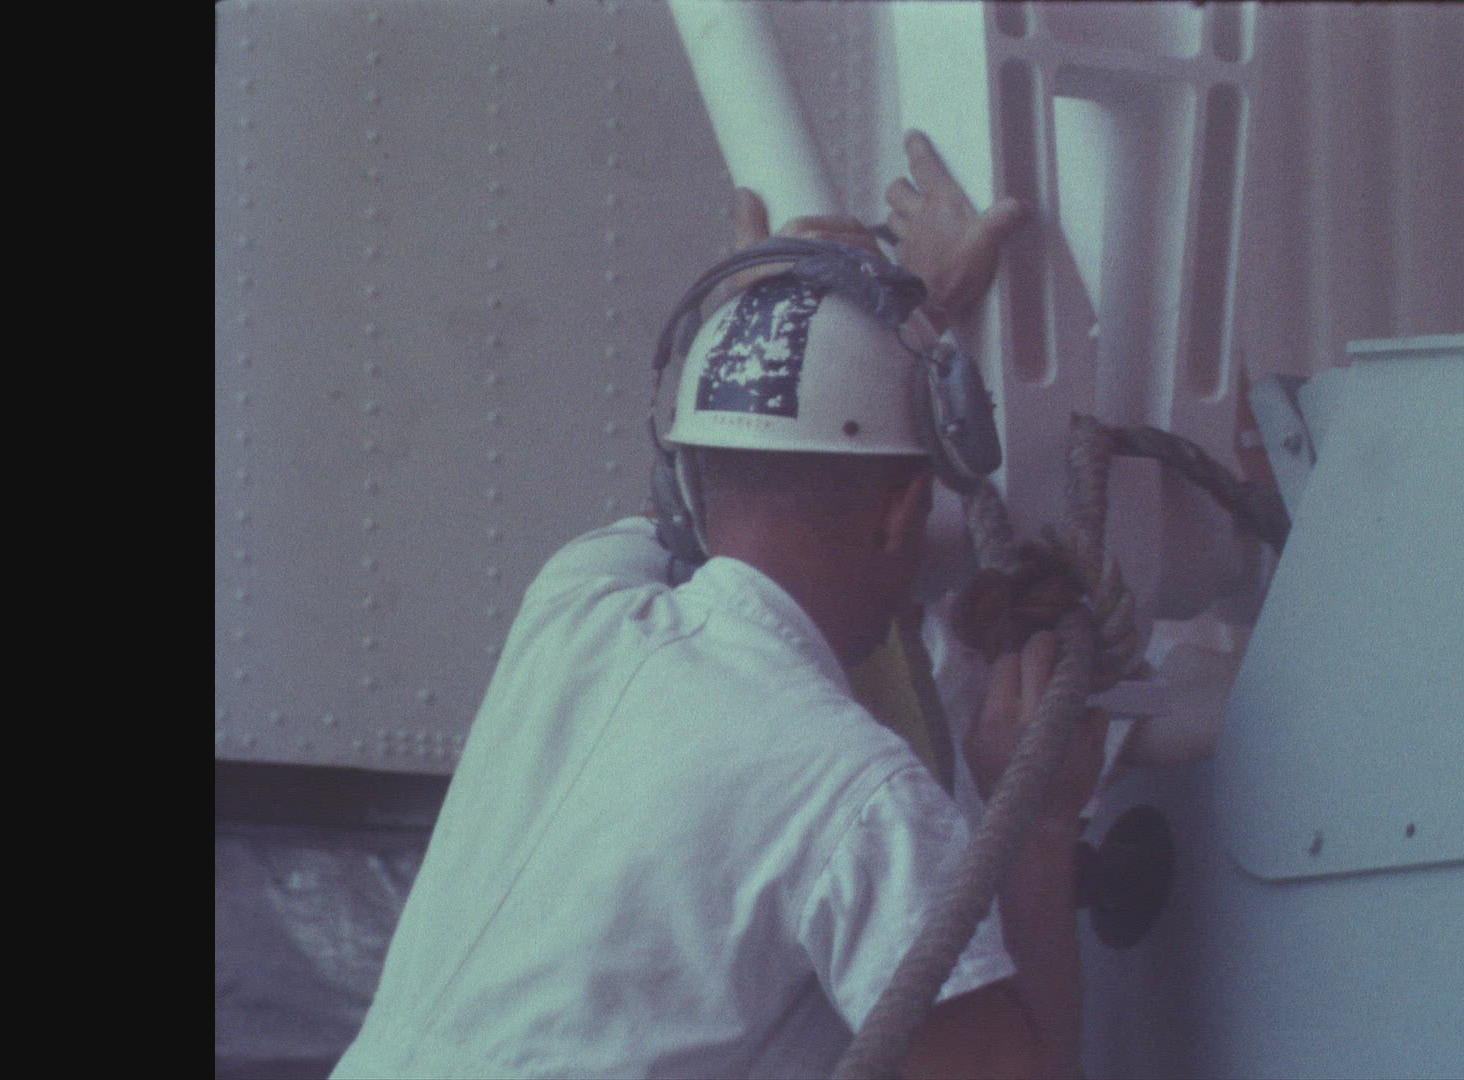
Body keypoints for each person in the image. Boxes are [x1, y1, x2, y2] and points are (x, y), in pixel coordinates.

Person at [332, 132, 1106, 1079]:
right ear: (901, 513)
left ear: (689, 469)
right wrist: (1040, 825)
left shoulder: (576, 603)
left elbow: (712, 492)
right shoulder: (859, 800)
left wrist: (886, 316)